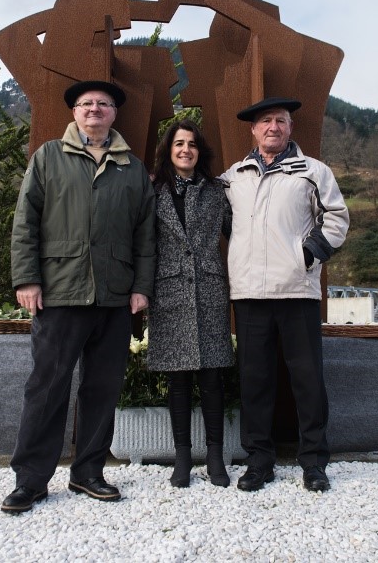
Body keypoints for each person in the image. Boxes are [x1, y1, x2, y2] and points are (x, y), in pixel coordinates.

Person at [1, 80, 156, 514]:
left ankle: (88, 472)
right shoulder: (49, 156)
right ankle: (30, 480)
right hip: (59, 293)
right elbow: (25, 221)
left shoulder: (132, 167)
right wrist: (27, 279)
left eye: (103, 104)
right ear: (74, 112)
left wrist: (142, 286)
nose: (94, 109)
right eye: (86, 104)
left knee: (102, 388)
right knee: (46, 388)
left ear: (113, 114)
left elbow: (146, 235)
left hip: (113, 296)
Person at [219, 96, 350, 493]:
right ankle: (259, 461)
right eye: (265, 121)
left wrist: (308, 254)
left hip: (297, 290)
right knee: (255, 380)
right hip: (249, 293)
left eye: (281, 121)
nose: (273, 127)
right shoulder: (233, 176)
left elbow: (337, 216)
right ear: (253, 130)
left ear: (290, 128)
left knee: (307, 379)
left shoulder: (314, 171)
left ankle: (314, 462)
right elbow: (223, 221)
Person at [146, 120, 234, 488]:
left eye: (193, 144)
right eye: (179, 143)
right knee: (177, 381)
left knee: (212, 379)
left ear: (201, 151)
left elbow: (239, 233)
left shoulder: (217, 191)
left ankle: (215, 456)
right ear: (169, 149)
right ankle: (182, 457)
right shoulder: (152, 191)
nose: (186, 149)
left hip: (210, 290)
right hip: (168, 293)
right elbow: (143, 242)